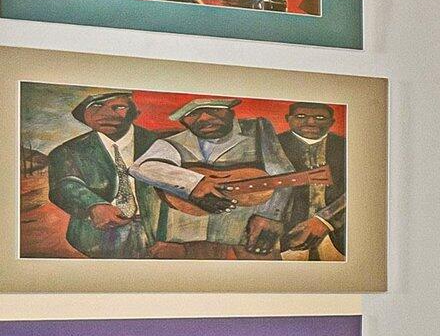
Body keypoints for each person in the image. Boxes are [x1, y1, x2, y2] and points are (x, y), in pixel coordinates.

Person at [39, 90, 197, 258]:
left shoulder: (160, 143)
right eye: (96, 106)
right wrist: (93, 205)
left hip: (160, 234)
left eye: (118, 106)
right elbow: (65, 185)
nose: (106, 114)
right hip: (95, 238)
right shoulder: (68, 151)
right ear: (84, 116)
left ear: (134, 112)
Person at [149, 98, 291, 257]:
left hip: (246, 238)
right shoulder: (169, 142)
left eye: (214, 109)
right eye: (193, 113)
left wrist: (270, 215)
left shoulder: (256, 129)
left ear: (231, 111)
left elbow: (283, 174)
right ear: (182, 119)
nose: (204, 118)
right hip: (182, 240)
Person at [272, 100, 344, 259]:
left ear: (332, 122)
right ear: (287, 118)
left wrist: (325, 221)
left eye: (319, 117)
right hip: (286, 237)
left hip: (339, 237)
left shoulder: (345, 146)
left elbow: (361, 190)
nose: (311, 122)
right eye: (301, 116)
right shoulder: (272, 145)